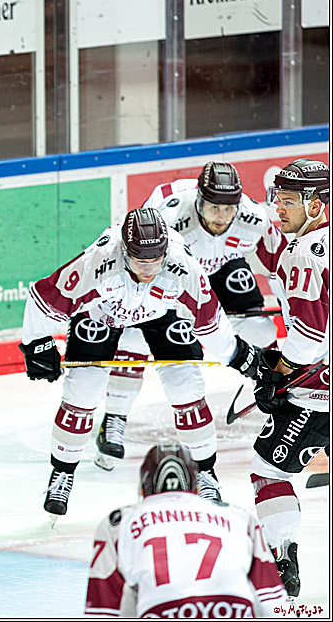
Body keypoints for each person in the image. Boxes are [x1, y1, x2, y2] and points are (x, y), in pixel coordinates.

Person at [19, 207, 260, 519]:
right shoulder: (99, 263)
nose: (147, 268)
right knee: (82, 390)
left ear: (164, 253)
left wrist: (238, 356)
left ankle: (206, 474)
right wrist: (37, 343)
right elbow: (43, 297)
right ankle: (61, 474)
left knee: (185, 385)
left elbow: (210, 322)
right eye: (139, 260)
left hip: (161, 314)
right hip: (102, 313)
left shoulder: (183, 267)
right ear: (124, 250)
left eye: (154, 260)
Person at [95, 162, 288, 470]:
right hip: (169, 273)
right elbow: (139, 265)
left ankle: (279, 397)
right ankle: (114, 417)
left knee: (262, 331)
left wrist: (295, 319)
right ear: (198, 200)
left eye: (229, 210)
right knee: (136, 337)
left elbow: (283, 267)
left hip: (220, 265)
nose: (222, 218)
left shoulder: (252, 218)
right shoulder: (170, 217)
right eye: (214, 209)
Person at [248, 159, 330, 598]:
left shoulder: (300, 254)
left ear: (316, 205)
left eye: (289, 201)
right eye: (277, 199)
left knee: (267, 472)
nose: (279, 209)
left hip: (319, 398)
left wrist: (277, 373)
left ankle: (282, 557)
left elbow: (306, 342)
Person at [84, 443, 288, 617]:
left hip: (162, 611)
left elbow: (103, 610)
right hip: (234, 610)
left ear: (143, 490)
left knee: (134, 592)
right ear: (196, 488)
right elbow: (274, 602)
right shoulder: (239, 517)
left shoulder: (119, 521)